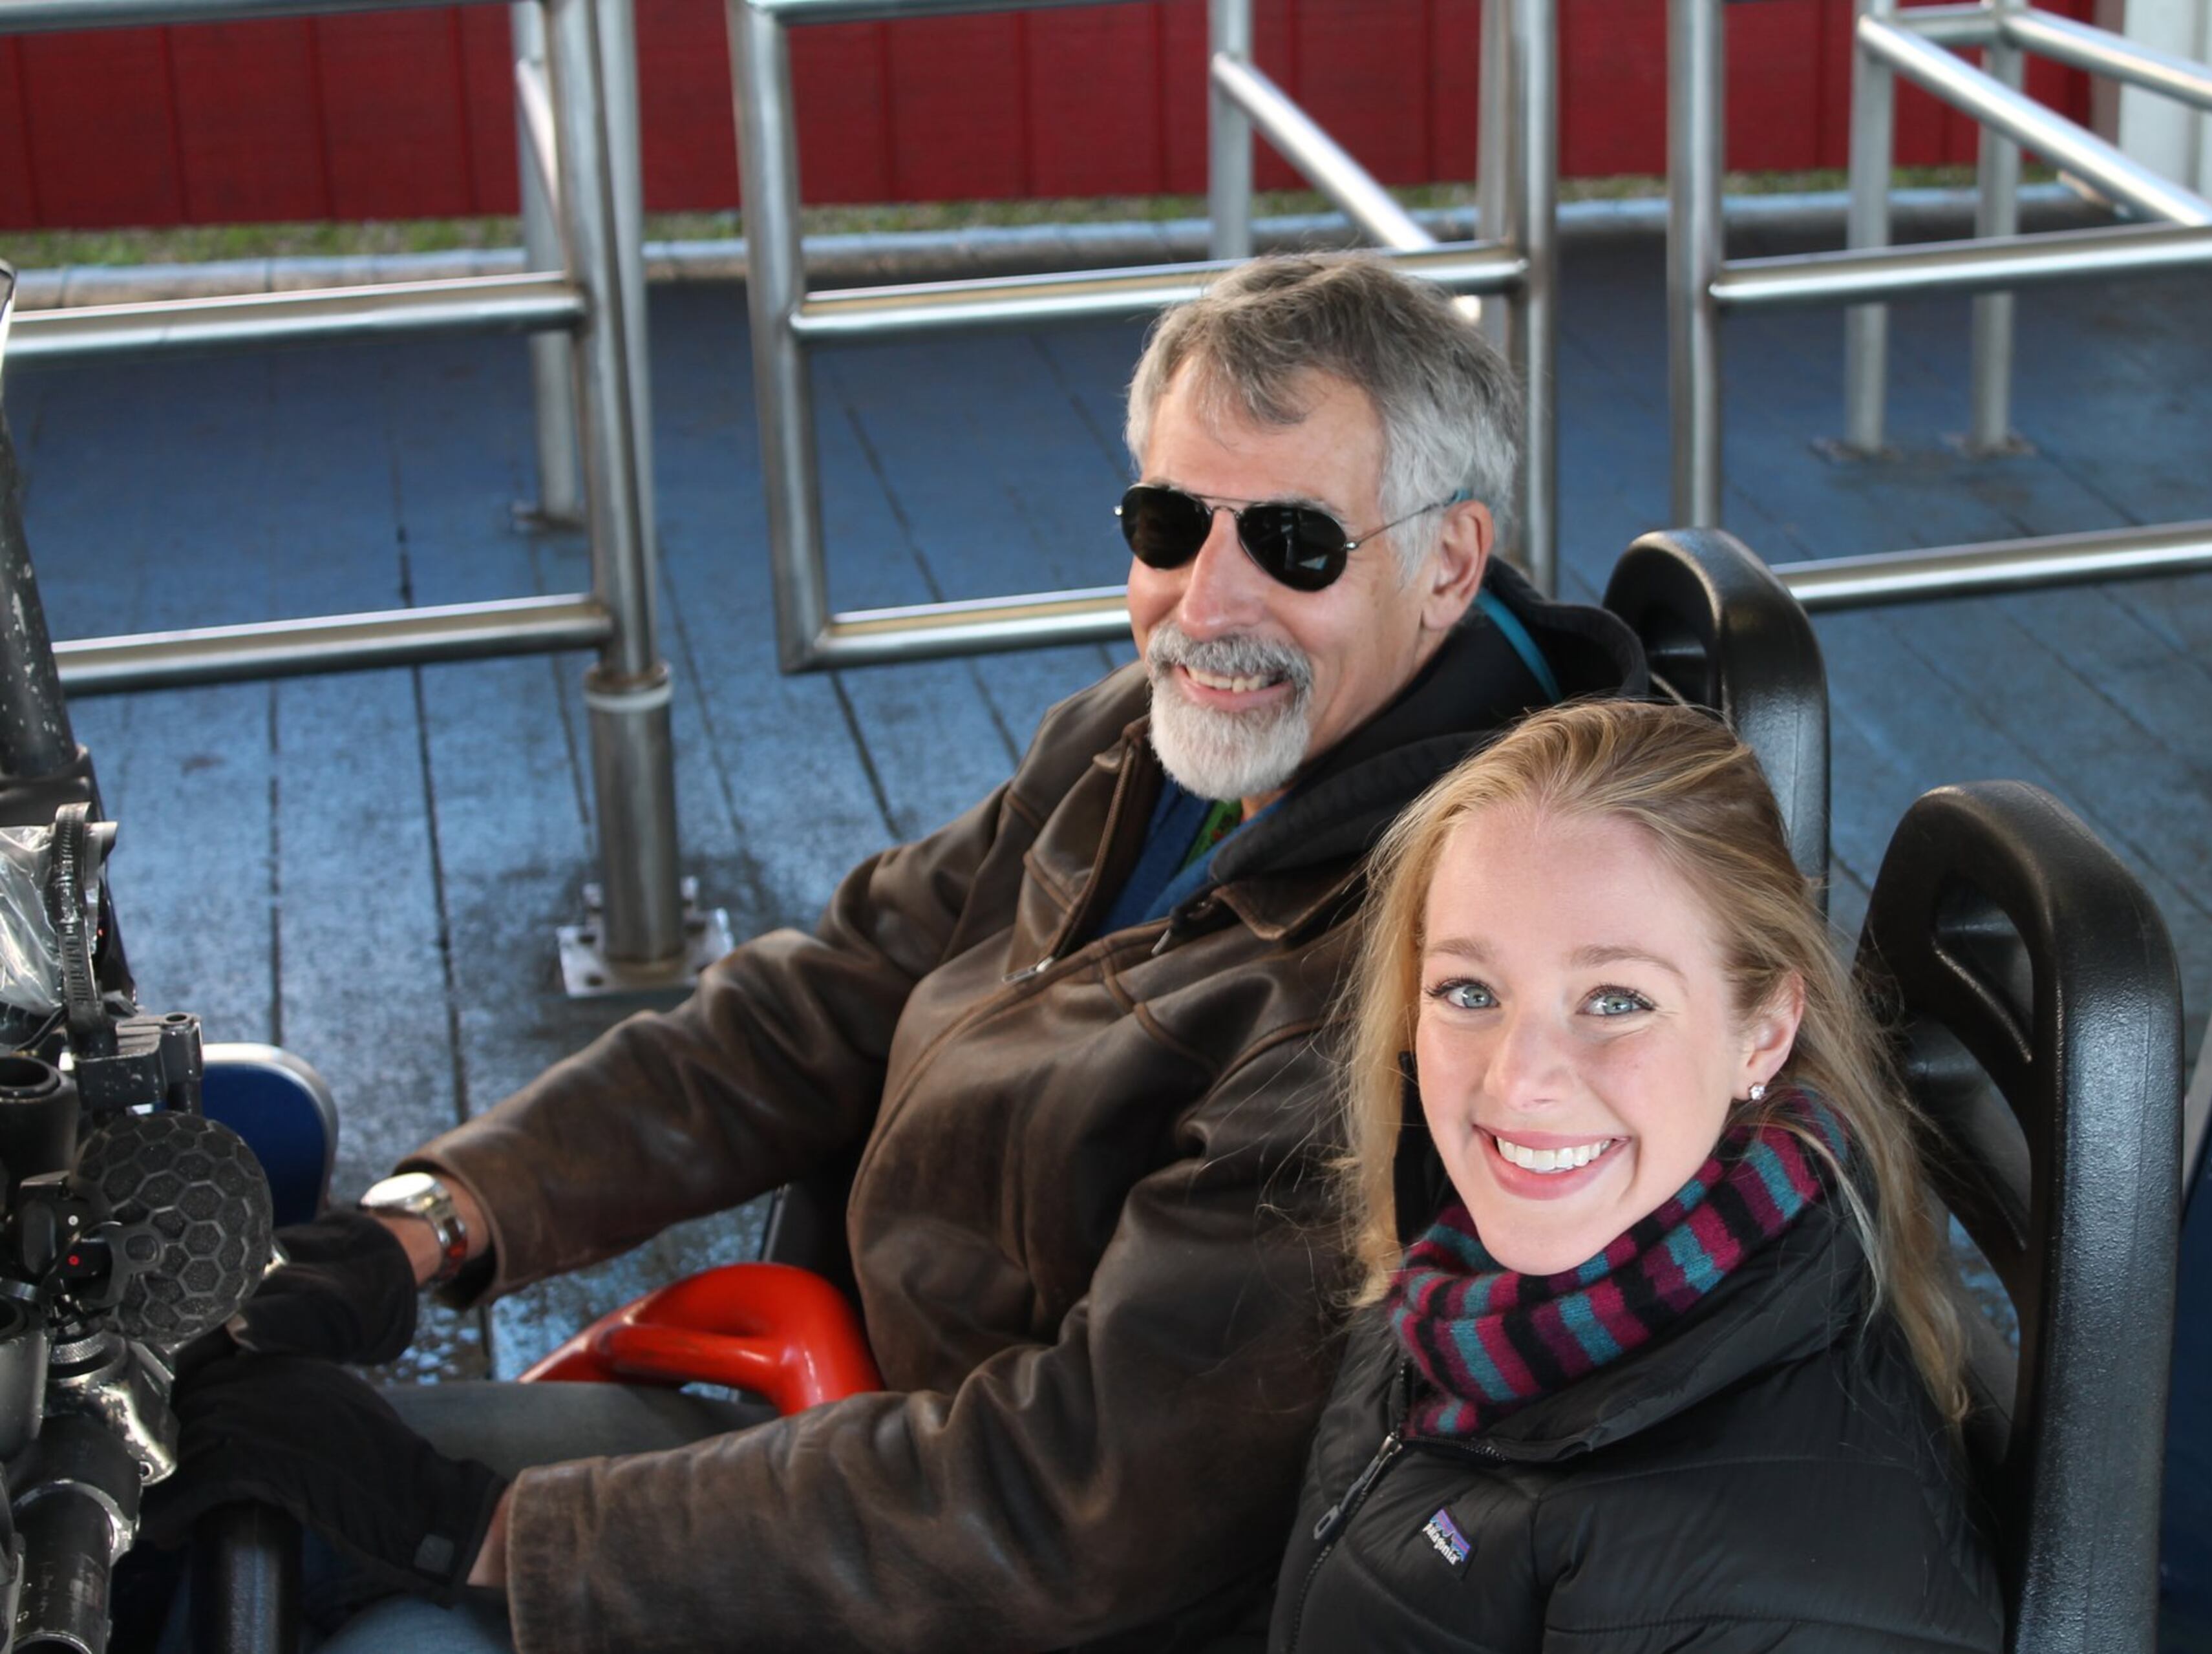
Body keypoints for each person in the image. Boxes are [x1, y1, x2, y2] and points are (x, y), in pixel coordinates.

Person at [140, 253, 1650, 1653]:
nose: (1207, 603)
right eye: (1168, 523)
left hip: (993, 1570)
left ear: (1453, 562)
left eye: (1294, 543)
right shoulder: (1152, 740)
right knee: (215, 1477)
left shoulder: (1426, 968)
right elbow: (830, 992)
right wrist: (430, 1218)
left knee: (259, 1550)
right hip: (849, 1433)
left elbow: (1077, 1501)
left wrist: (472, 1529)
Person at [1268, 698, 2005, 1652]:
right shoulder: (1469, 1282)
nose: (1520, 1079)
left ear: (1765, 1032)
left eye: (1616, 1000)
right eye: (1469, 991)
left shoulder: (1763, 1602)